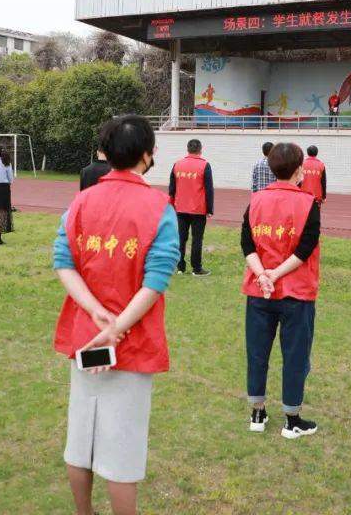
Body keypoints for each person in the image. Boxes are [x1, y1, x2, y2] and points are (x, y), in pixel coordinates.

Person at [52, 114, 180, 515]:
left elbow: (63, 262)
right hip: (130, 343)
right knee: (122, 450)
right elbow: (156, 279)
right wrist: (117, 326)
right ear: (148, 154)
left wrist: (96, 314)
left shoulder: (81, 201)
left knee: (81, 439)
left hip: (87, 336)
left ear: (106, 152)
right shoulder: (159, 206)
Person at [241, 142, 321, 438]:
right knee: (295, 355)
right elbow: (305, 247)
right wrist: (274, 273)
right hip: (296, 294)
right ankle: (292, 419)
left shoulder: (256, 200)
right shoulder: (308, 202)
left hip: (259, 291)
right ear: (299, 169)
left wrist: (263, 274)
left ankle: (257, 413)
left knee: (257, 353)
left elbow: (247, 244)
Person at [168, 138, 214, 276]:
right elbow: (209, 189)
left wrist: (172, 204)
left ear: (188, 149)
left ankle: (180, 267)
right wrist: (210, 209)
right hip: (198, 209)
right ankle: (196, 268)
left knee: (181, 238)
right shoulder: (205, 165)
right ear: (200, 150)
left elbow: (172, 188)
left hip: (180, 207)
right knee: (197, 239)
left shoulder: (177, 165)